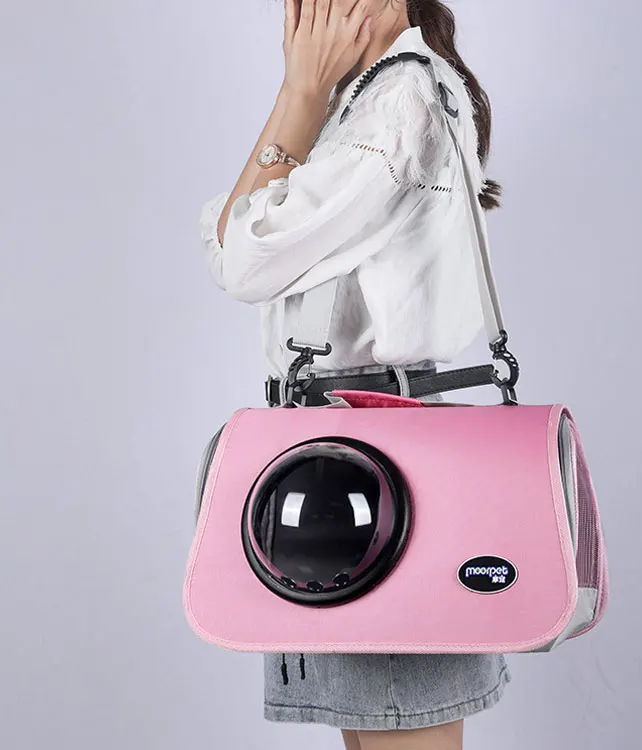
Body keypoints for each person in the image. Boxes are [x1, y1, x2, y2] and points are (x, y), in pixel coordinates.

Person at [198, 0, 510, 747]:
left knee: (398, 721)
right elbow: (235, 244)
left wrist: (297, 96)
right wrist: (310, 95)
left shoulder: (399, 99)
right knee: (374, 726)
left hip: (377, 457)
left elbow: (241, 259)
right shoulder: (367, 93)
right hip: (344, 454)